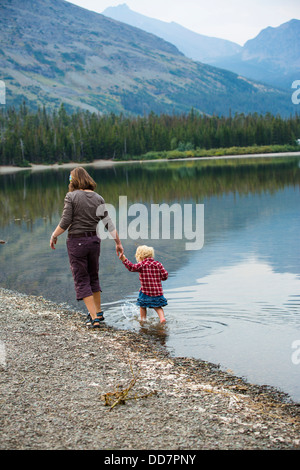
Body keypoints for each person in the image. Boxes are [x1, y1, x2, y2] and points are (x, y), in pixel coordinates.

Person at [50, 167, 123, 328]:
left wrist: (54, 235)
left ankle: (94, 318)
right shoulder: (98, 198)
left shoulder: (71, 196)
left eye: (70, 179)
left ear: (74, 180)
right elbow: (108, 224)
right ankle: (98, 312)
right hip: (94, 242)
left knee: (81, 279)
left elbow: (65, 222)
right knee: (93, 277)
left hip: (77, 242)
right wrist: (118, 243)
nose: (69, 182)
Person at [119, 245, 168, 323]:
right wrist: (158, 278)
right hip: (157, 292)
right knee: (158, 307)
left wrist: (124, 259)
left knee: (142, 306)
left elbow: (131, 267)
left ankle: (143, 320)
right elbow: (165, 276)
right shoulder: (158, 264)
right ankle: (162, 319)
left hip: (145, 291)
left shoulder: (142, 264)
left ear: (140, 256)